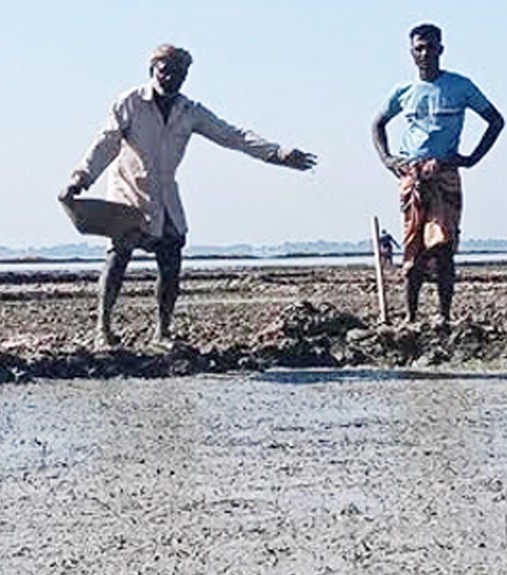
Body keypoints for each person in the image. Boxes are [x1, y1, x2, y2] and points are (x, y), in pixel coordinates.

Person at [59, 44, 317, 349]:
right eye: (165, 71)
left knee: (171, 258)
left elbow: (232, 135)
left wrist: (277, 153)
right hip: (129, 192)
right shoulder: (130, 102)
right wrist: (80, 179)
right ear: (152, 70)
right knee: (118, 256)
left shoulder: (189, 111)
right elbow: (105, 144)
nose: (171, 78)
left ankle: (162, 332)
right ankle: (103, 329)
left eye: (179, 73)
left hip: (166, 195)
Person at [372, 24, 504, 326]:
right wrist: (388, 159)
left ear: (440, 50)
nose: (425, 54)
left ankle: (444, 315)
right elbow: (377, 124)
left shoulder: (460, 86)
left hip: (444, 173)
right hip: (413, 176)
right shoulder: (402, 92)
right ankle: (411, 316)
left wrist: (471, 158)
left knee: (443, 246)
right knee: (413, 248)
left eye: (430, 47)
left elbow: (495, 120)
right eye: (419, 48)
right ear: (411, 52)